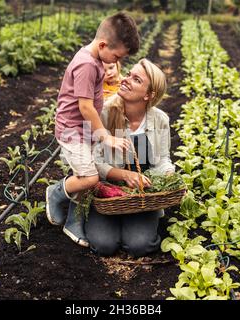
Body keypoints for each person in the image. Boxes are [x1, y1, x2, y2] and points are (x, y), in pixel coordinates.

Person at [46, 12, 140, 247]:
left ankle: (73, 221)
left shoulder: (95, 59)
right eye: (116, 56)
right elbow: (86, 107)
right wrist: (105, 136)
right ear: (102, 44)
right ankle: (56, 193)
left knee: (85, 173)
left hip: (83, 130)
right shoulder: (87, 64)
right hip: (72, 130)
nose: (114, 63)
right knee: (89, 178)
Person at [87, 58, 175, 257]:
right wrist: (124, 175)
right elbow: (95, 159)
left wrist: (169, 174)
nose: (125, 79)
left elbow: (162, 159)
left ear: (148, 95)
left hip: (142, 194)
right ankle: (114, 222)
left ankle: (133, 224)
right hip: (108, 189)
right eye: (128, 74)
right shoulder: (104, 113)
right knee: (103, 245)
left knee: (140, 246)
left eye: (136, 80)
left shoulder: (160, 119)